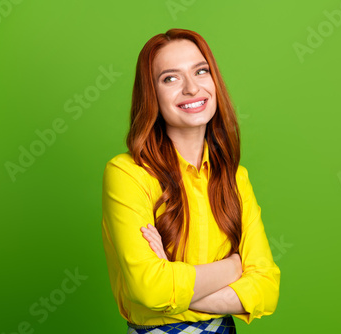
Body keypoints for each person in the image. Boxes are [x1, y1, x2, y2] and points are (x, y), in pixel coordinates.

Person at [101, 28, 280, 334]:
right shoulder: (127, 173)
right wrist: (233, 267)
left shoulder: (235, 177)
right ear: (152, 94)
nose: (191, 88)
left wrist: (175, 282)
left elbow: (266, 288)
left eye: (201, 71)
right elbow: (149, 290)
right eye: (170, 78)